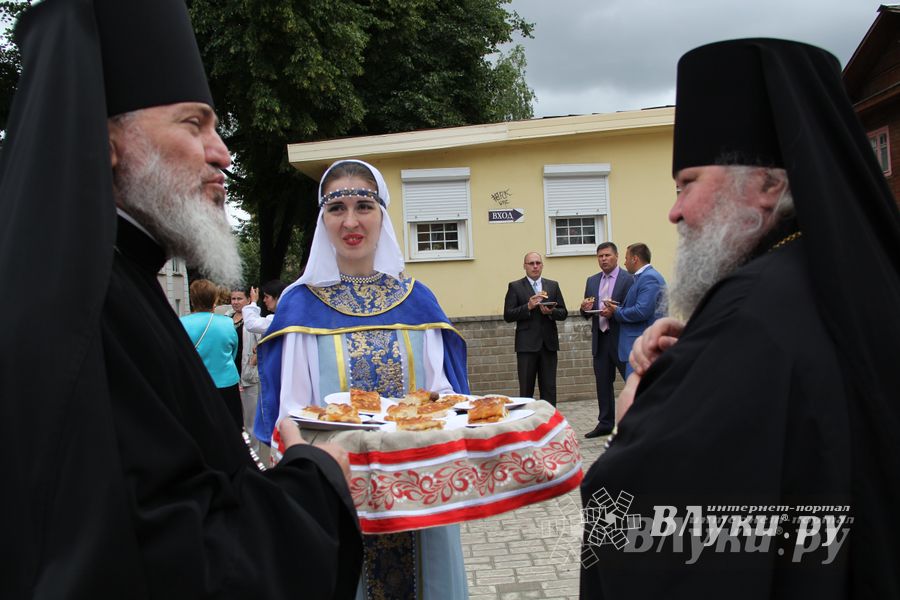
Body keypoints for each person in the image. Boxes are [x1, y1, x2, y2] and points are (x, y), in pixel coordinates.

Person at [0, 1, 361, 597]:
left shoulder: (113, 280)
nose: (221, 152)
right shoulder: (83, 315)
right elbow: (172, 567)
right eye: (194, 125)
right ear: (105, 140)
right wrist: (314, 482)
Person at [580, 38, 900, 599]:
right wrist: (698, 354)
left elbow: (650, 515)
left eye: (688, 183)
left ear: (768, 185)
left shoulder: (752, 309)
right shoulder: (817, 276)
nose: (674, 210)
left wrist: (637, 402)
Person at [257, 159, 470, 600]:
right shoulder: (299, 308)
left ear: (383, 215)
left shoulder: (418, 300)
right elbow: (290, 416)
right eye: (336, 209)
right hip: (337, 495)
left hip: (418, 491)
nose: (351, 221)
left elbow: (445, 395)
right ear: (322, 220)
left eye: (363, 206)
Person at [580, 242, 633, 438]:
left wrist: (615, 312)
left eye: (607, 255)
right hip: (600, 339)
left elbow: (632, 309)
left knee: (632, 380)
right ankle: (605, 423)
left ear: (617, 256)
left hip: (621, 338)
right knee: (603, 383)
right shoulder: (592, 281)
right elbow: (587, 310)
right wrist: (584, 309)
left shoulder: (629, 279)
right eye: (600, 256)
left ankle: (636, 421)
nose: (603, 259)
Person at [503, 252, 568, 406]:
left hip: (548, 345)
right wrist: (528, 307)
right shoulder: (515, 287)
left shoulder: (553, 285)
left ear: (542, 265)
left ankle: (550, 423)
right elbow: (508, 315)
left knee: (549, 388)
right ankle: (527, 424)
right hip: (526, 346)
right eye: (531, 263)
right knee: (526, 389)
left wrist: (551, 312)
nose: (535, 266)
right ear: (524, 266)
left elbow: (563, 312)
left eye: (538, 263)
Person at [181, 279, 242, 429]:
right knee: (230, 428)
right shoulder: (227, 323)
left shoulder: (181, 323)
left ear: (192, 300)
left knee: (199, 429)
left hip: (195, 384)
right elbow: (233, 351)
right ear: (214, 299)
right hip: (226, 383)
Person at [600, 242, 666, 378]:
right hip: (638, 346)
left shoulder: (649, 278)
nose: (624, 263)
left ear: (634, 259)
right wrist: (617, 306)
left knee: (640, 391)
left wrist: (616, 311)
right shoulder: (641, 278)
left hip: (642, 347)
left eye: (625, 258)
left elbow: (641, 311)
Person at [229, 287, 261, 444]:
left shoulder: (253, 320)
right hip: (229, 376)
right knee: (233, 418)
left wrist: (256, 356)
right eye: (233, 299)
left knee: (251, 421)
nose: (235, 302)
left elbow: (263, 342)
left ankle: (253, 455)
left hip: (248, 375)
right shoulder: (226, 318)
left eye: (239, 298)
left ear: (248, 300)